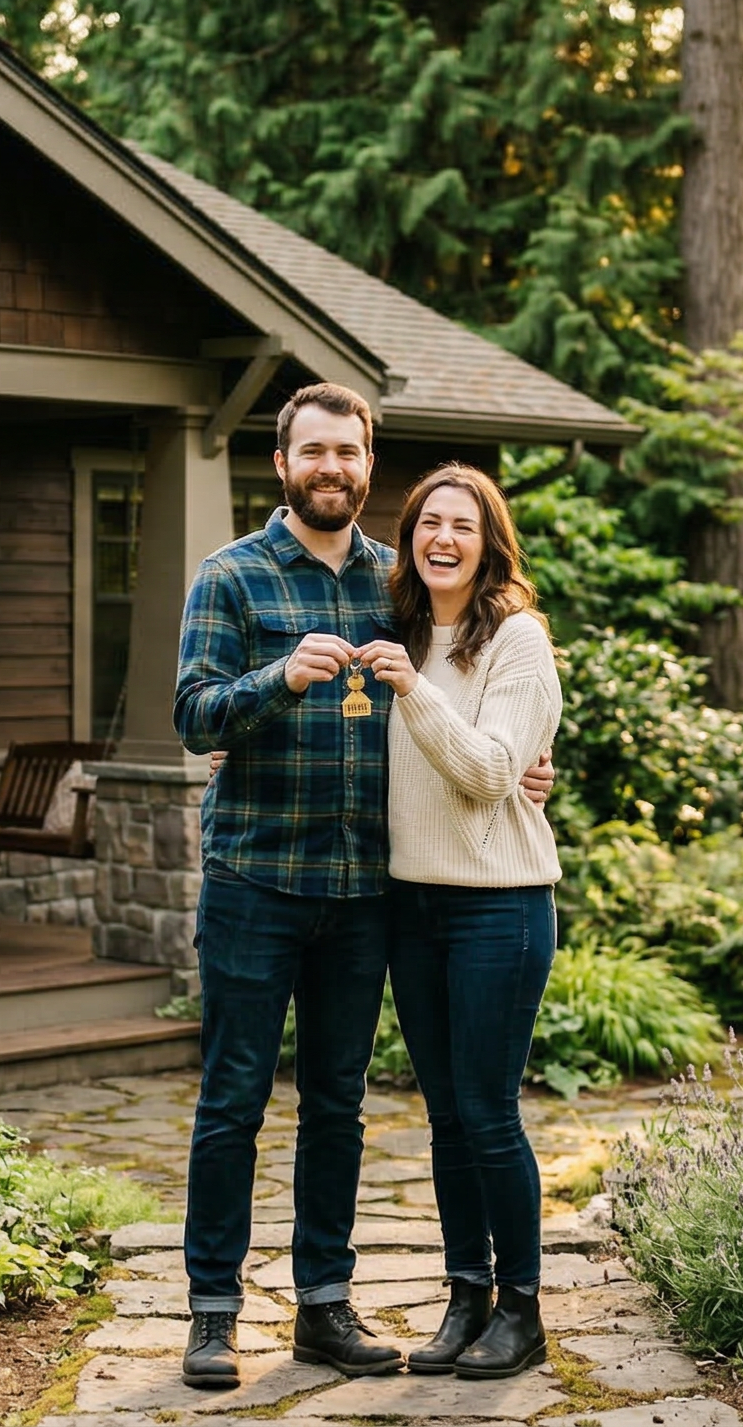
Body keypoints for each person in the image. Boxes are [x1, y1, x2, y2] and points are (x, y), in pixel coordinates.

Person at [171, 384, 548, 1390]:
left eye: (349, 451)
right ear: (282, 464)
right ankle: (213, 1313)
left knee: (335, 1104)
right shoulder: (232, 577)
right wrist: (277, 680)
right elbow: (193, 717)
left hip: (366, 893)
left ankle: (323, 1307)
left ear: (367, 465)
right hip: (256, 877)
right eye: (314, 452)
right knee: (232, 1101)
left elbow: (481, 699)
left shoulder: (398, 582)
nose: (332, 467)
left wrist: (532, 765)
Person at [352, 464, 563, 1379]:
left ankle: (522, 1307)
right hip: (413, 905)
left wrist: (412, 687)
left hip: (499, 908)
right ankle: (464, 1294)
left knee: (487, 1113)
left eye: (462, 526)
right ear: (409, 539)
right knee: (444, 1117)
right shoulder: (397, 631)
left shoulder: (516, 642)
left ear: (488, 542)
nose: (443, 537)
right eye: (428, 522)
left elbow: (486, 773)